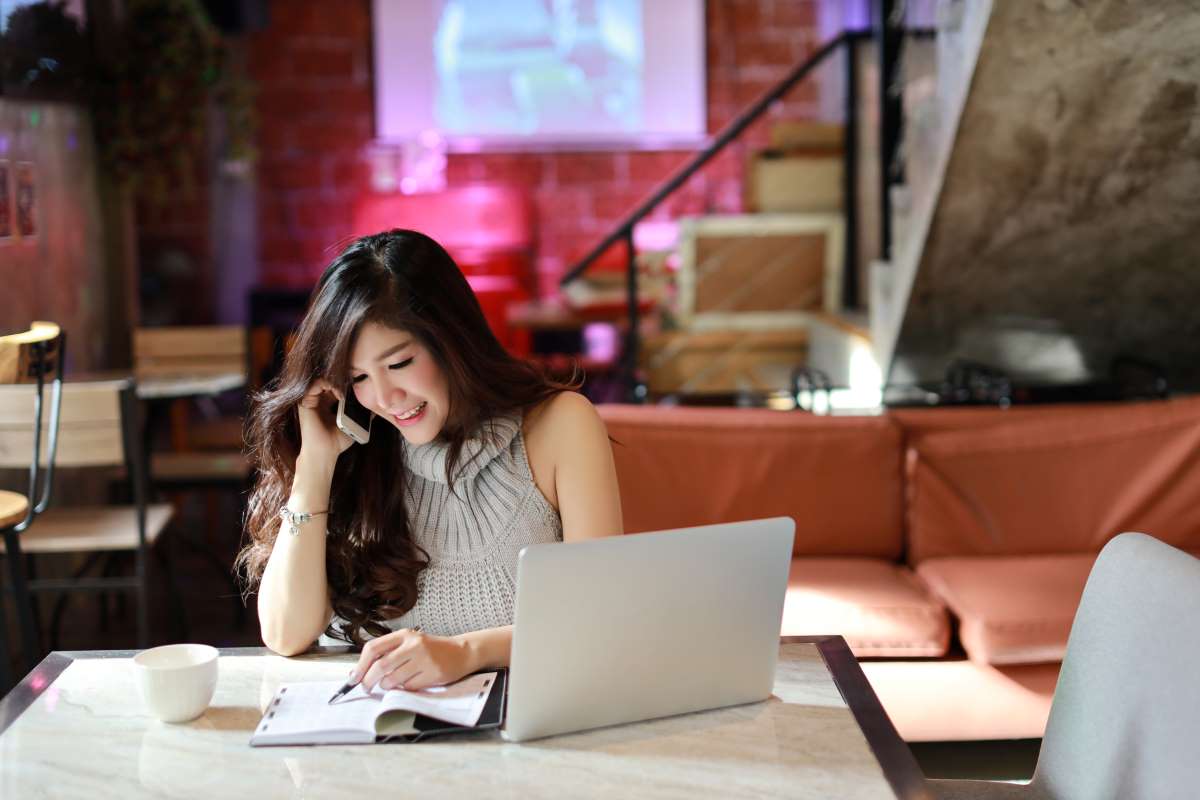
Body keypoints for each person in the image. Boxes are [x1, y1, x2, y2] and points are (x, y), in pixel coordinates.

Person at [236, 229, 623, 692]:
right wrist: (313, 471)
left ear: (450, 339)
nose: (385, 397)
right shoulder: (358, 452)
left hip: (517, 737)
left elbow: (599, 620)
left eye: (399, 364)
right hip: (372, 743)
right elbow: (285, 635)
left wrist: (466, 652)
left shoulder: (558, 427)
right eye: (358, 376)